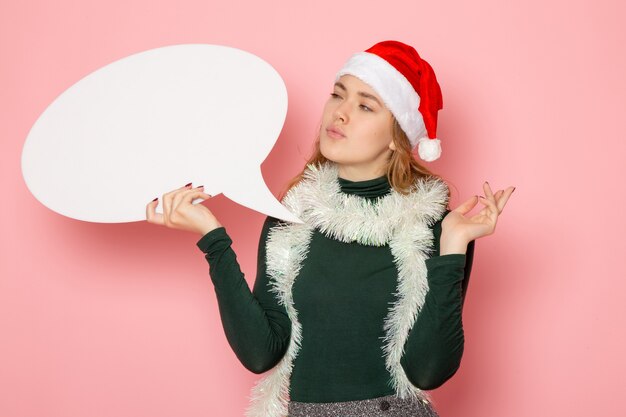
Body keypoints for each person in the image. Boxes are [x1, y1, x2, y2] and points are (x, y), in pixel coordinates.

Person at [146, 40, 514, 417]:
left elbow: (427, 371)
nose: (340, 113)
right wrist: (213, 239)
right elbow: (261, 353)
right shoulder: (293, 216)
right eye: (337, 95)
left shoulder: (436, 225)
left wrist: (452, 247)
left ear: (396, 134)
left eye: (365, 105)